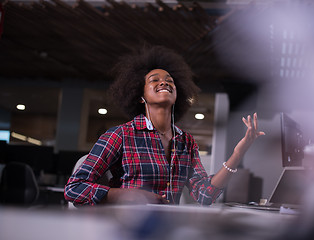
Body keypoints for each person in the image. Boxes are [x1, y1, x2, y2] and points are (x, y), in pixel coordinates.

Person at [64, 45, 265, 206]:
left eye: (170, 81)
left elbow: (205, 195)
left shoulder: (186, 142)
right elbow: (74, 188)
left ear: (178, 94)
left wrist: (238, 154)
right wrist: (126, 196)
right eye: (154, 80)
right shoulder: (120, 135)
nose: (164, 82)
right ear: (140, 96)